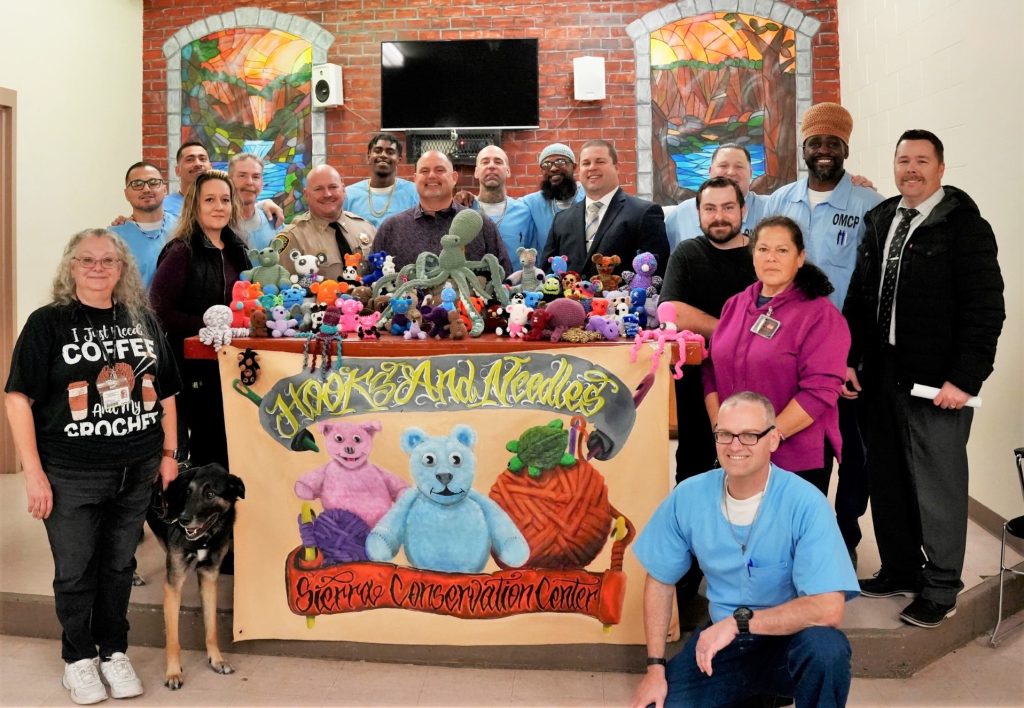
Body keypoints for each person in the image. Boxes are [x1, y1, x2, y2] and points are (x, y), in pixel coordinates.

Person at [5, 228, 181, 705]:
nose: (98, 268)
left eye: (108, 260)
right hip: (71, 472)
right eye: (87, 260)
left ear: (122, 268)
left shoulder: (142, 319)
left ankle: (114, 651)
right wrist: (34, 473)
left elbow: (165, 393)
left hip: (137, 467)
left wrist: (168, 456)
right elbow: (18, 397)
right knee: (76, 571)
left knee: (120, 566)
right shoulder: (48, 323)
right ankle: (79, 659)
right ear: (71, 267)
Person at [844, 130, 1005, 628]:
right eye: (902, 160)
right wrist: (849, 358)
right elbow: (860, 294)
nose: (910, 169)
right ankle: (899, 569)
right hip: (880, 373)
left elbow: (986, 309)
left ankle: (940, 587)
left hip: (937, 381)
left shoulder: (964, 226)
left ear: (940, 168)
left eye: (921, 161)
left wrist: (965, 379)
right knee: (888, 478)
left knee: (938, 485)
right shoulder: (880, 218)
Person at [630, 391, 858, 708]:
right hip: (724, 646)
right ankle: (751, 695)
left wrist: (739, 623)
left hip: (787, 642)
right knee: (659, 705)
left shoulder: (805, 503)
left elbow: (829, 608)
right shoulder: (690, 495)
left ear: (774, 439)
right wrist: (655, 668)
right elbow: (660, 579)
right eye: (725, 434)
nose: (735, 446)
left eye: (750, 435)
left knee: (826, 649)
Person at [763, 103, 883, 562]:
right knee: (798, 445)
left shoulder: (870, 205)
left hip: (845, 353)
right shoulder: (779, 201)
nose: (825, 151)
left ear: (846, 148)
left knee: (850, 449)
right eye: (816, 142)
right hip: (788, 349)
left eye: (834, 142)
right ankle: (797, 534)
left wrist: (857, 358)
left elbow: (873, 287)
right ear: (805, 148)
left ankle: (844, 536)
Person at [659, 176, 758, 623]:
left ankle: (749, 584)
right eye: (710, 209)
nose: (719, 216)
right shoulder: (687, 253)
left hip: (758, 390)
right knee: (695, 478)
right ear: (698, 214)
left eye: (727, 207)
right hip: (698, 389)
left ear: (743, 210)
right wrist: (735, 334)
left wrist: (723, 336)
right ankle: (687, 581)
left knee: (752, 484)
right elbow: (672, 310)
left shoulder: (763, 254)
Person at [704, 216, 850, 495]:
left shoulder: (820, 315)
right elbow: (711, 370)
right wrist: (722, 430)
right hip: (736, 452)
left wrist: (768, 436)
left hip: (795, 456)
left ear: (800, 257)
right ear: (753, 255)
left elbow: (820, 392)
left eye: (782, 250)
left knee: (786, 535)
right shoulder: (735, 305)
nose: (771, 258)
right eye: (763, 249)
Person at [150, 170, 249, 468]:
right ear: (194, 206)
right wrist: (210, 328)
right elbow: (160, 312)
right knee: (206, 446)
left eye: (225, 199)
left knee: (230, 443)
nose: (219, 206)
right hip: (191, 366)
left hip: (231, 362)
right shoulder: (181, 251)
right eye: (210, 200)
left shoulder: (238, 250)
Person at [541, 139, 669, 280]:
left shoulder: (644, 213)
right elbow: (547, 274)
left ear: (616, 167)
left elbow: (657, 273)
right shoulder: (561, 220)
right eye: (586, 163)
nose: (592, 168)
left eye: (600, 162)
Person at [373, 150, 513, 274]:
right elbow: (371, 280)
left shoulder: (481, 225)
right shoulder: (391, 228)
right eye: (425, 171)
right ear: (415, 179)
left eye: (440, 170)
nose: (432, 176)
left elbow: (503, 276)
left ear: (454, 178)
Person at [278, 164, 376, 282]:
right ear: (306, 195)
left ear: (343, 190)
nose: (327, 194)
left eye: (333, 187)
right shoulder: (293, 238)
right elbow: (283, 288)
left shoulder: (366, 228)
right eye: (318, 189)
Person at [664, 143, 766, 248]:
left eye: (739, 166)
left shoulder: (769, 208)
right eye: (723, 166)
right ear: (710, 171)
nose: (731, 172)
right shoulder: (682, 213)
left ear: (750, 173)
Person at [110, 161, 177, 288]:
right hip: (132, 307)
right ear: (126, 194)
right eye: (137, 184)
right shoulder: (113, 238)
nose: (146, 189)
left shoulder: (184, 228)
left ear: (165, 189)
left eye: (153, 183)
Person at [465, 145, 537, 258]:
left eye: (498, 162)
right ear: (476, 172)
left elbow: (532, 257)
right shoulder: (466, 210)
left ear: (508, 171)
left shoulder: (524, 212)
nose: (491, 166)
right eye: (485, 162)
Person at [342, 133, 419, 228]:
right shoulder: (348, 195)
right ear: (369, 157)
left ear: (399, 159)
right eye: (377, 151)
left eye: (390, 152)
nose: (383, 155)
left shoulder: (415, 192)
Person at [519, 142, 585, 253]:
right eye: (546, 164)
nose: (553, 168)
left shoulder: (589, 196)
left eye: (560, 162)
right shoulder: (531, 203)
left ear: (574, 166)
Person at [228, 153, 282, 250]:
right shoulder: (218, 223)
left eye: (256, 177)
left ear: (262, 183)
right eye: (242, 175)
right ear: (229, 180)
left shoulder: (274, 222)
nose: (249, 182)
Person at [162, 141, 211, 218]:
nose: (198, 164)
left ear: (211, 167)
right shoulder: (163, 208)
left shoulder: (223, 205)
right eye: (190, 160)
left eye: (202, 159)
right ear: (177, 170)